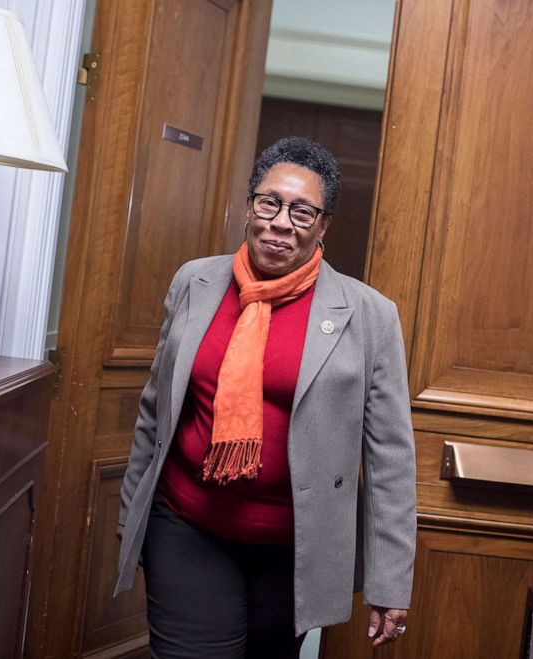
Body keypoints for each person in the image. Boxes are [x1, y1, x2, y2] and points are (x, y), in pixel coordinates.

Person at [114, 136, 416, 658]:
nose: (281, 222)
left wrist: (390, 582)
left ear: (323, 227)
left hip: (297, 549)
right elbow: (154, 410)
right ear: (251, 205)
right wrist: (131, 516)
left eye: (302, 212)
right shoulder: (195, 282)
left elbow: (391, 458)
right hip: (188, 526)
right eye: (269, 202)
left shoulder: (369, 315)